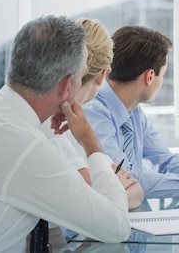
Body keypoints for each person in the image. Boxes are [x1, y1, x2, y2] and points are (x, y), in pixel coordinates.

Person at [0, 16, 131, 252]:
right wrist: (91, 143)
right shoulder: (26, 147)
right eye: (82, 75)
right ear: (66, 86)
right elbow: (116, 226)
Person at [83, 25, 179, 198]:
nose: (162, 80)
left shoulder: (132, 110)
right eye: (162, 74)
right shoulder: (93, 112)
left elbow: (165, 160)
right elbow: (127, 179)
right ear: (149, 77)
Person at [43, 17, 144, 210]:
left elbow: (136, 190)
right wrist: (111, 187)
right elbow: (94, 204)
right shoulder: (56, 123)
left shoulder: (74, 118)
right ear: (102, 76)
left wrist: (108, 190)